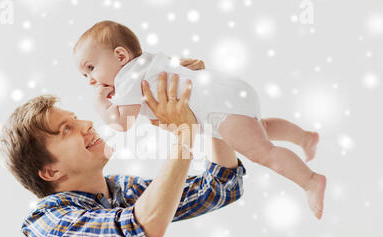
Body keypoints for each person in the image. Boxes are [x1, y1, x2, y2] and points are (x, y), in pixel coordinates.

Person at [0, 72, 246, 237]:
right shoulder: (46, 225)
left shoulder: (124, 190)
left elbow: (219, 188)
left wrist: (207, 109)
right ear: (50, 172)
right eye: (66, 129)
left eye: (76, 119)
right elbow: (142, 228)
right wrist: (184, 135)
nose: (86, 124)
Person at [73, 20, 326, 219]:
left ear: (120, 56)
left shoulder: (126, 78)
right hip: (228, 92)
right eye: (84, 76)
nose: (90, 80)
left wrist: (101, 104)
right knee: (261, 128)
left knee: (263, 152)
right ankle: (304, 137)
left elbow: (123, 124)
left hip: (218, 109)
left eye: (91, 68)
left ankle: (311, 181)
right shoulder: (147, 62)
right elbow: (183, 66)